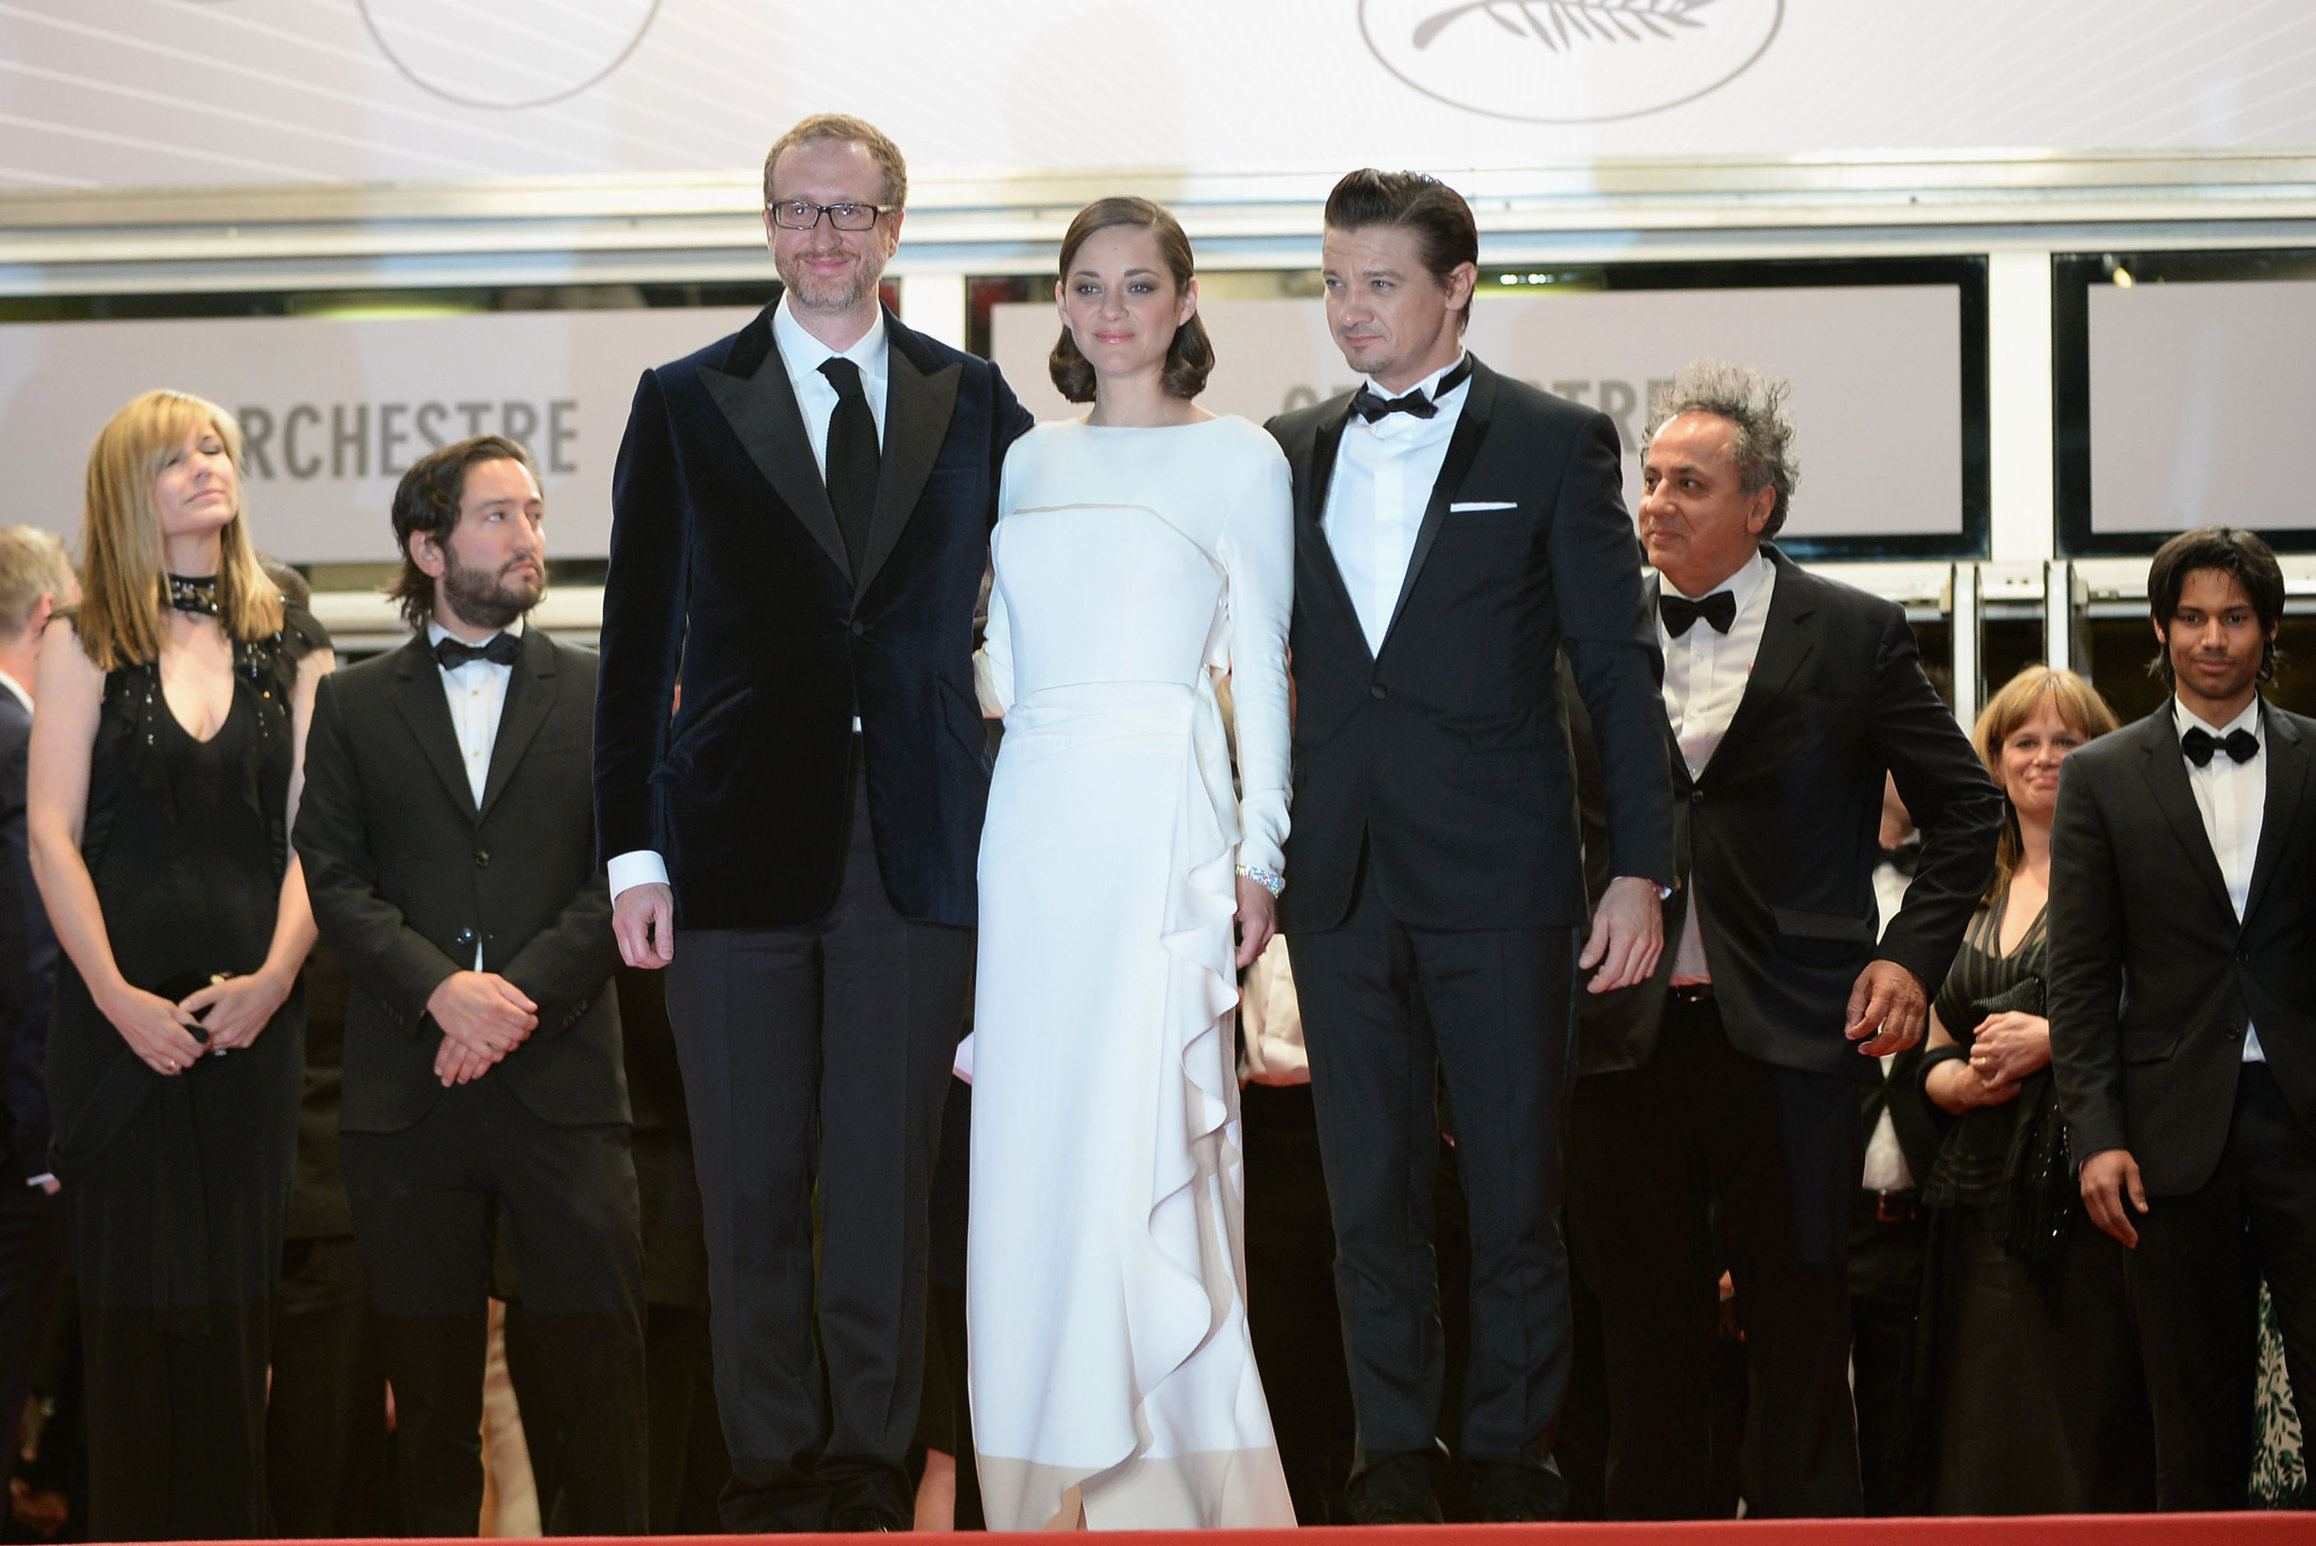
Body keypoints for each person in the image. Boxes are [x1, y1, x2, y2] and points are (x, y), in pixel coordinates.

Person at [596, 112, 1033, 1533]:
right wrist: (632, 850)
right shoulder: (683, 400)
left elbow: (1039, 607)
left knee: (887, 1182)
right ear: (769, 224)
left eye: (850, 211)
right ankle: (771, 1473)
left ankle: (869, 1471)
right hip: (728, 845)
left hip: (919, 843)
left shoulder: (975, 400)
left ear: (894, 227)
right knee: (748, 1180)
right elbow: (633, 642)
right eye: (799, 209)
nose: (824, 236)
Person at [1265, 169, 1673, 1525]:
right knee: (1366, 1192)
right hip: (1339, 876)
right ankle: (1391, 1456)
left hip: (1504, 876)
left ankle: (1512, 1453)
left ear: (1458, 287)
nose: (1351, 310)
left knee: (1513, 1190)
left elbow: (1618, 670)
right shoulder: (1286, 448)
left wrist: (1639, 869)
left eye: (1380, 283)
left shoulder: (1553, 441)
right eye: (1336, 282)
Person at [1565, 362, 2002, 1519]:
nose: (1656, 502)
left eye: (1689, 483)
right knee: (1642, 1353)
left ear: (1759, 504)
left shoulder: (1853, 632)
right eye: (1651, 479)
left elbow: (1969, 805)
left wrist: (1908, 956)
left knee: (1804, 1344)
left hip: (1797, 1037)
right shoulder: (1582, 630)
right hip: (1620, 1039)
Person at [967, 195, 1295, 1531]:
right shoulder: (1024, 461)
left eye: (1140, 284)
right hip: (1035, 826)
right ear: (1060, 303)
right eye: (1089, 286)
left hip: (1165, 822)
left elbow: (1261, 670)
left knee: (1151, 1134)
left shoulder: (1243, 458)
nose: (1114, 310)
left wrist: (1261, 853)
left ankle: (1172, 1478)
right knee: (1038, 1145)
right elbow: (1005, 672)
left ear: (1185, 299)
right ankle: (1045, 1471)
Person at [294, 434, 646, 1536]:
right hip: (410, 1096)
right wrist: (441, 992)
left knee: (599, 1405)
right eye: (499, 516)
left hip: (565, 1091)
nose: (528, 535)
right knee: (431, 1417)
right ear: (429, 548)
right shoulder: (352, 703)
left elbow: (626, 868)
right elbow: (332, 874)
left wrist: (511, 1001)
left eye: (534, 513)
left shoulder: (601, 691)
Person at [27, 390, 332, 1539]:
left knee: (237, 1335)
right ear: (127, 489)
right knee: (125, 1339)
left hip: (255, 1024)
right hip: (115, 1032)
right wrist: (115, 999)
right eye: (176, 457)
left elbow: (316, 836)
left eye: (215, 447)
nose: (208, 466)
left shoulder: (289, 628)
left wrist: (275, 978)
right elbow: (50, 833)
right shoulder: (82, 633)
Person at [2048, 525, 2316, 1511]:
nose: (2213, 637)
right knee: (2191, 1427)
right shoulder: (2100, 775)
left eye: (2234, 617)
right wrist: (2096, 1136)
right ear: (2160, 629)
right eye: (2193, 617)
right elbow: (2080, 976)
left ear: (2269, 628)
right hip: (2165, 1137)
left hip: (2306, 1117)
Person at [1910, 666, 2118, 1512]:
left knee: (2072, 1425)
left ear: (2103, 754)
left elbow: (2177, 1012)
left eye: (2068, 740)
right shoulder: (1971, 887)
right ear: (1994, 762)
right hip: (1975, 1191)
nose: (2045, 757)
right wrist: (1952, 1080)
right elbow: (1928, 1036)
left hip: (2084, 1190)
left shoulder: (2131, 874)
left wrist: (2056, 1040)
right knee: (1977, 1427)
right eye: (2024, 741)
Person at [0, 527, 76, 1487]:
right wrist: (46, 1134)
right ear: (49, 618)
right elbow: (32, 954)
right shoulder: (22, 746)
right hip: (12, 1151)